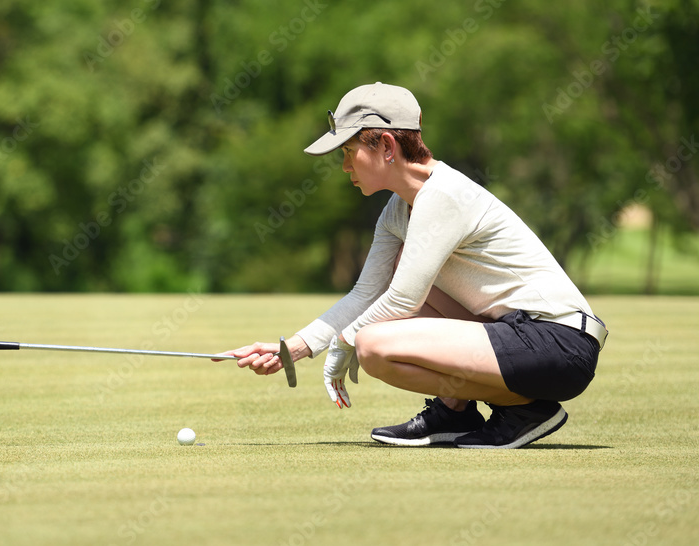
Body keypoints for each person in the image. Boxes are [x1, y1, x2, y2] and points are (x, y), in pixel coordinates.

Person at [224, 82, 607, 449]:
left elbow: (403, 302)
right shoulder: (397, 210)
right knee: (388, 290)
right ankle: (455, 411)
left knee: (373, 346)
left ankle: (524, 409)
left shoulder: (443, 195)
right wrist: (290, 350)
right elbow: (367, 294)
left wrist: (345, 342)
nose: (344, 167)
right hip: (519, 335)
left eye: (348, 151)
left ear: (387, 146)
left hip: (558, 343)